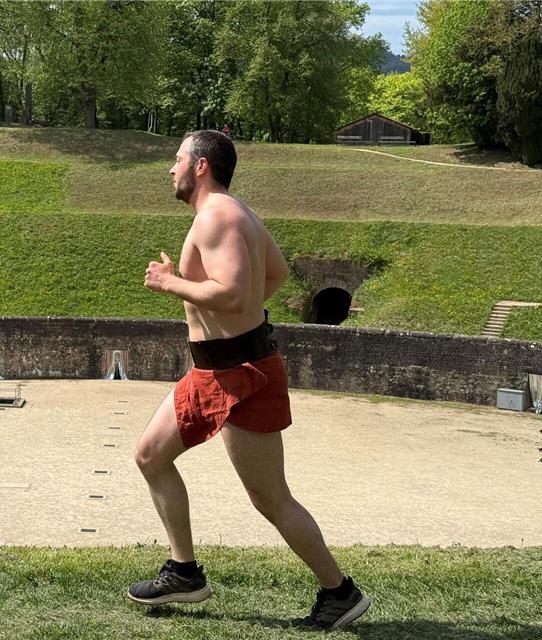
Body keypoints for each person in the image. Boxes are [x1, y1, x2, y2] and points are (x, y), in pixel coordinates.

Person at [128, 130, 371, 630]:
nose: (169, 169)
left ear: (200, 167)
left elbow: (237, 296)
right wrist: (200, 292)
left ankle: (339, 592)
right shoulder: (233, 215)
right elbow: (276, 275)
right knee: (151, 455)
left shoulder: (219, 215)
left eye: (177, 160)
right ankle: (184, 571)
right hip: (214, 369)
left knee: (270, 498)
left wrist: (170, 283)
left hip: (242, 374)